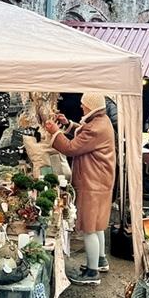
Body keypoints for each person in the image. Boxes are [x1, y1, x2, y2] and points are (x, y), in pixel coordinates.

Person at [45, 92, 115, 285]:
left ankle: (92, 273)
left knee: (88, 227)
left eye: (84, 105)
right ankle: (100, 260)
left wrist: (55, 132)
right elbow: (83, 132)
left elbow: (71, 148)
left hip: (92, 183)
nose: (81, 108)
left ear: (91, 106)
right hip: (100, 182)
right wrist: (67, 124)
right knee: (98, 224)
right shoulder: (101, 121)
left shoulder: (96, 127)